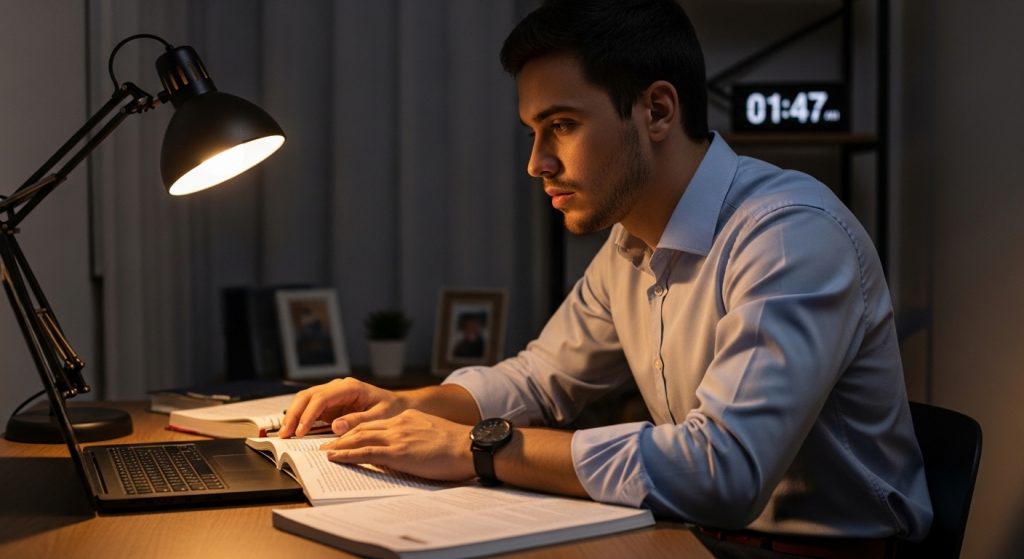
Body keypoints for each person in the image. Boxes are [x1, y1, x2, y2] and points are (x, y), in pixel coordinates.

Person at [280, 0, 932, 554]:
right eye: (533, 131)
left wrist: (477, 446)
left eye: (561, 125)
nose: (537, 162)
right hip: (702, 538)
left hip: (826, 549)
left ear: (656, 111)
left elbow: (725, 471)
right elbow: (540, 377)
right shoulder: (631, 242)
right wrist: (404, 406)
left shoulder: (789, 234)